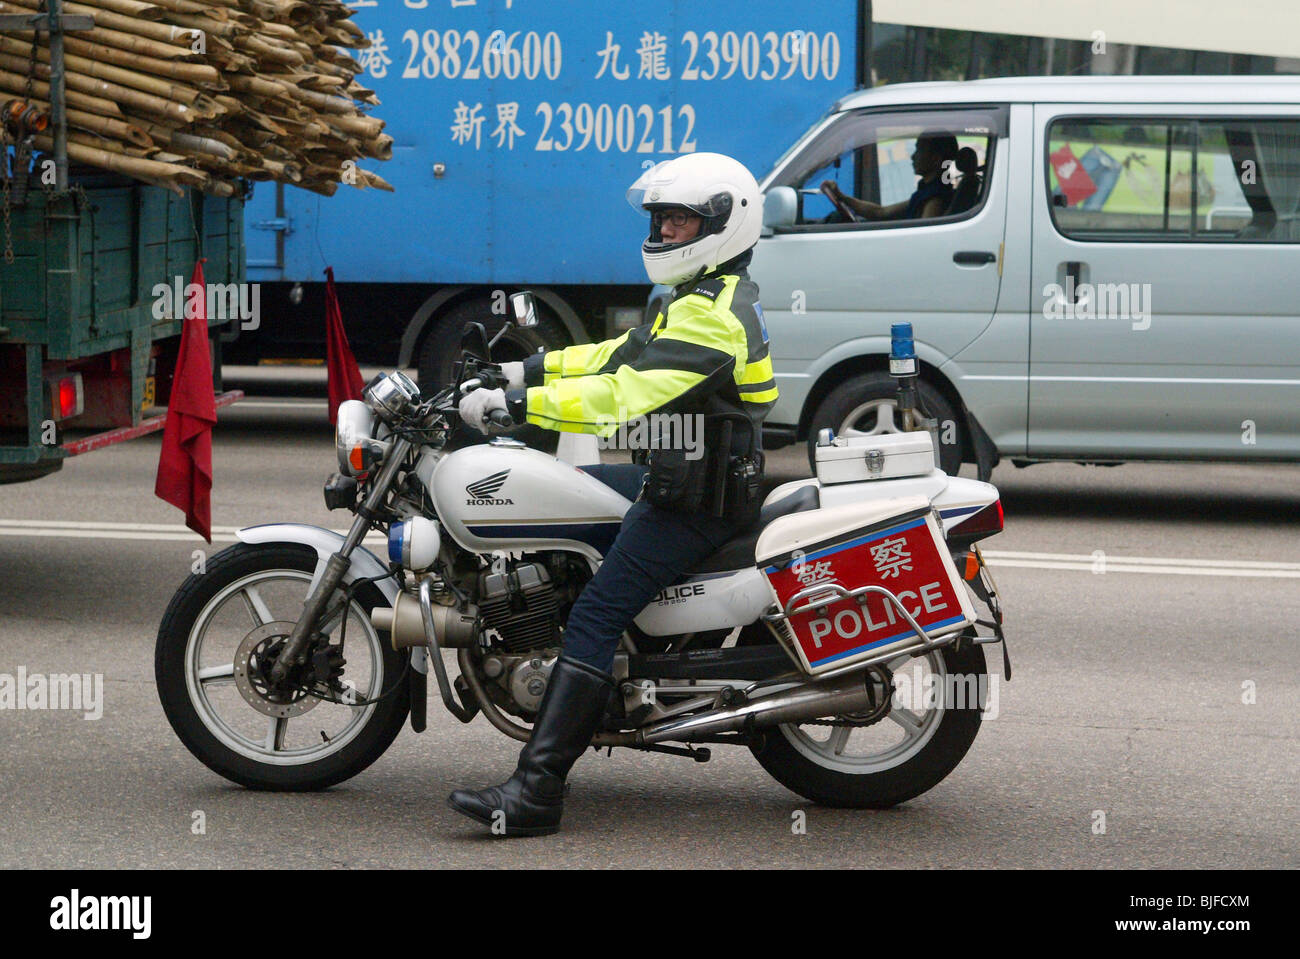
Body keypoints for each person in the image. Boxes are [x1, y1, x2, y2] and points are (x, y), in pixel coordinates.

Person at [450, 152, 777, 837]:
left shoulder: (710, 317)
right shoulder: (692, 299)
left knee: (595, 615)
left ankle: (536, 791)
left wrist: (516, 408)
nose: (663, 231)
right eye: (660, 218)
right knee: (578, 495)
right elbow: (613, 356)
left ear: (723, 224)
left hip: (697, 502)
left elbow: (620, 395)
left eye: (680, 219)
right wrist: (517, 368)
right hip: (681, 479)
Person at [820, 132, 959, 221]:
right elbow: (882, 212)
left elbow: (925, 240)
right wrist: (843, 197)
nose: (912, 156)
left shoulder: (935, 200)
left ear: (935, 158)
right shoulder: (927, 192)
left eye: (919, 149)